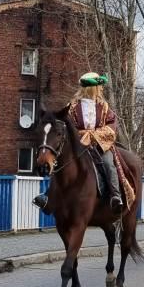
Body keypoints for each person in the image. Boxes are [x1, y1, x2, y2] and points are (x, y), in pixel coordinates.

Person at [35, 72, 124, 212]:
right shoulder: (72, 107)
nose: (101, 89)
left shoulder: (104, 107)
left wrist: (94, 135)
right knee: (62, 163)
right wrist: (79, 135)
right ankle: (49, 196)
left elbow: (111, 126)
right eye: (99, 86)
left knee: (108, 163)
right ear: (93, 88)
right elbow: (66, 126)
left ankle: (115, 196)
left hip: (99, 145)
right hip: (78, 144)